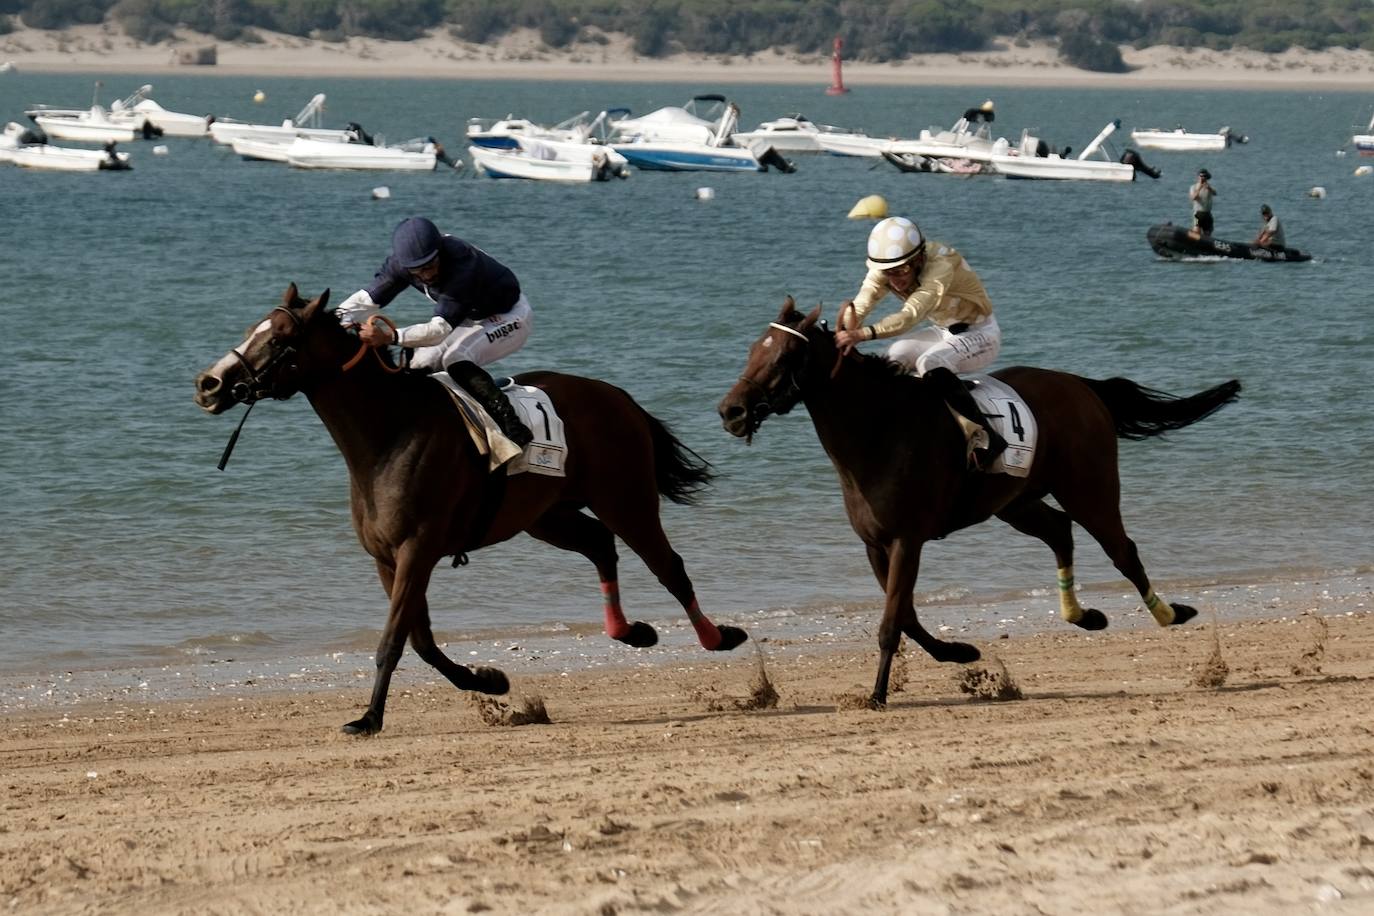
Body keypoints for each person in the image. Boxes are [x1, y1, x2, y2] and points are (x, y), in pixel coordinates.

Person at [336, 216, 534, 447]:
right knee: (417, 363)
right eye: (417, 271)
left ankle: (513, 427)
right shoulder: (401, 264)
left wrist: (389, 337)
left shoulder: (462, 264)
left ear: (439, 251)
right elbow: (366, 300)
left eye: (430, 266)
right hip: (469, 316)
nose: (426, 275)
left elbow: (439, 330)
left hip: (511, 315)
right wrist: (332, 319)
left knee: (456, 359)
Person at [834, 215, 1006, 470]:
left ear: (919, 260)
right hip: (945, 330)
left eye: (902, 270)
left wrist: (862, 334)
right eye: (888, 273)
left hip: (981, 333)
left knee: (930, 361)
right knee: (892, 356)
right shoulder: (886, 267)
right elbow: (862, 304)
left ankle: (984, 438)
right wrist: (841, 331)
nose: (895, 280)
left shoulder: (941, 266)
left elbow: (909, 316)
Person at [1188, 169, 1215, 239]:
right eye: (1201, 176)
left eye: (1204, 176)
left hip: (1207, 214)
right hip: (1198, 214)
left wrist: (1209, 188)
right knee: (1196, 231)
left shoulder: (1209, 187)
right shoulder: (1193, 187)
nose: (1202, 178)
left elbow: (1215, 193)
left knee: (1208, 234)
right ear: (1198, 177)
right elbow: (1193, 197)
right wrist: (1199, 188)